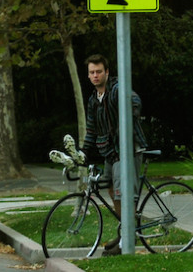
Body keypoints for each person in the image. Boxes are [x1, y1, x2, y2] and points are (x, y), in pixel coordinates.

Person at [81, 54, 147, 255]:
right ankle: (125, 232)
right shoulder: (94, 99)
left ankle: (127, 239)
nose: (95, 75)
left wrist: (124, 125)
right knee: (109, 189)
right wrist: (83, 152)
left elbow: (135, 101)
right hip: (110, 153)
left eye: (99, 71)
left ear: (107, 72)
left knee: (123, 193)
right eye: (92, 72)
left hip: (127, 151)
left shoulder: (117, 89)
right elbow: (91, 130)